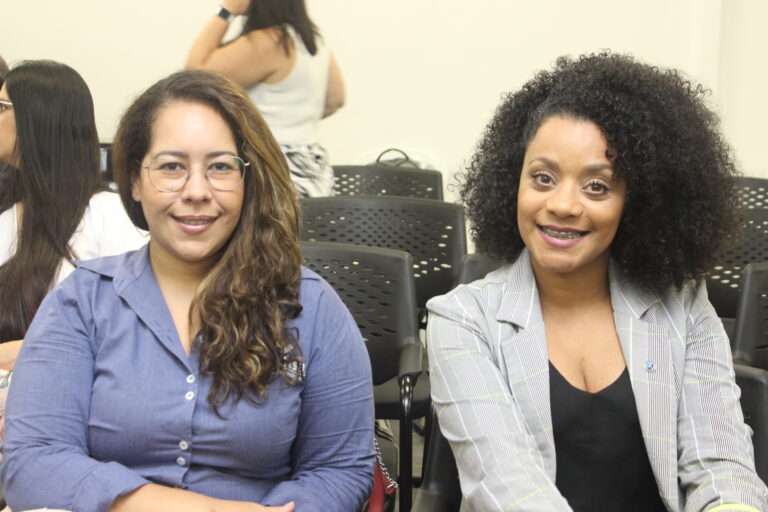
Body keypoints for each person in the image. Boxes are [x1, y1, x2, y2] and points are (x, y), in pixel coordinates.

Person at [1, 69, 374, 512]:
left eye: (220, 167)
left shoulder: (309, 306)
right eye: (171, 167)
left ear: (248, 180)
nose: (196, 191)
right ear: (134, 182)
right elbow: (33, 464)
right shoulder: (81, 301)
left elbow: (340, 471)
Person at [427, 52, 768, 512]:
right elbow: (507, 486)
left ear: (638, 201)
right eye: (542, 178)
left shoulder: (683, 306)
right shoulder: (462, 320)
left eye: (597, 187)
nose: (563, 205)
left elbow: (719, 464)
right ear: (512, 182)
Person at [0, 60, 146, 365]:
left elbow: (128, 331)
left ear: (38, 118)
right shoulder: (7, 216)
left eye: (2, 107)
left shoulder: (109, 215)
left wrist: (20, 352)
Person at [185, 0, 345, 198]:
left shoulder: (270, 41)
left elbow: (193, 78)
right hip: (312, 170)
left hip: (273, 168)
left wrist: (226, 11)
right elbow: (335, 100)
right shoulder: (312, 40)